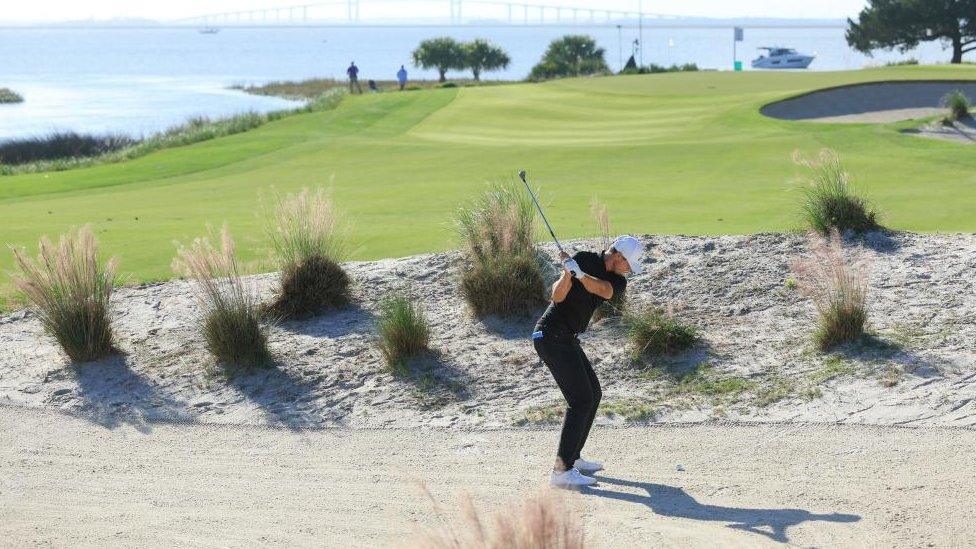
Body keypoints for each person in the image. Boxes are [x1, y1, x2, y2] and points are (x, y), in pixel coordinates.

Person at [532, 235, 644, 488]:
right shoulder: (583, 259)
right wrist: (568, 275)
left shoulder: (617, 280)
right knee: (580, 400)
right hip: (550, 335)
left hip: (567, 338)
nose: (629, 269)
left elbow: (602, 289)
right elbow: (557, 297)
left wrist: (580, 275)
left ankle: (573, 457)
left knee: (593, 394)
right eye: (628, 263)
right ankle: (562, 471)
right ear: (618, 256)